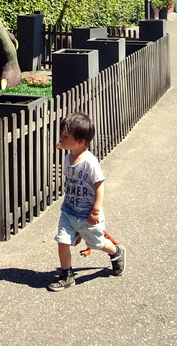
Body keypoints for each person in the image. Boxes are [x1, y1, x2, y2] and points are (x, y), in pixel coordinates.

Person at [47, 112, 126, 291]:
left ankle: (116, 252)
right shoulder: (68, 157)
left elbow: (99, 185)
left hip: (87, 215)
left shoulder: (90, 162)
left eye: (65, 136)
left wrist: (95, 211)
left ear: (81, 141)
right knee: (62, 241)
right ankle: (67, 274)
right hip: (68, 210)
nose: (61, 138)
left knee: (96, 244)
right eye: (61, 135)